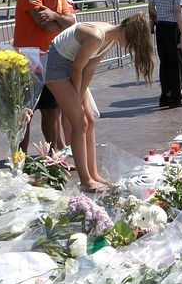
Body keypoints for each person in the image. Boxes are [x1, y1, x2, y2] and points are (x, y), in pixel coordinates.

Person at [44, 15, 154, 191]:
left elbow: (89, 68)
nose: (130, 48)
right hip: (57, 67)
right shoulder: (97, 36)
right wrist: (76, 100)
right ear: (126, 31)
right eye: (132, 42)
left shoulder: (110, 38)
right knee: (80, 122)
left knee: (89, 120)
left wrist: (79, 96)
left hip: (73, 67)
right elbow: (76, 68)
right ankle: (86, 180)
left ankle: (94, 174)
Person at [14, 0, 78, 152]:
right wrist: (59, 18)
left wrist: (55, 15)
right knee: (25, 113)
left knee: (51, 111)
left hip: (50, 59)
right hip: (27, 60)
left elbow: (70, 22)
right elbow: (45, 25)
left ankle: (53, 156)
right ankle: (21, 159)